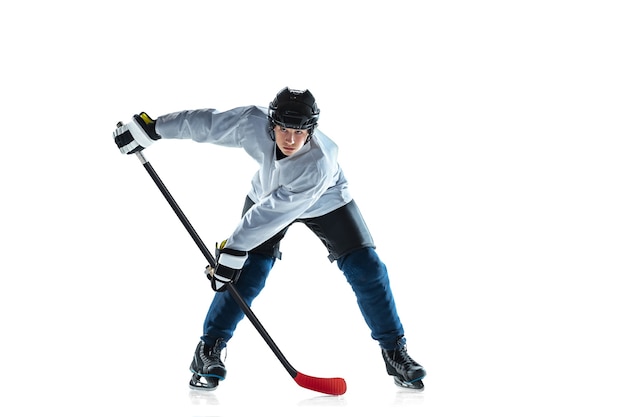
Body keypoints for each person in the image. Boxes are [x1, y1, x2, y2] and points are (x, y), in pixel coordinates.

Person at [113, 87, 426, 391]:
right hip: (266, 193)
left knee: (366, 268)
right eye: (284, 130)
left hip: (327, 200)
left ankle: (394, 351)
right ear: (271, 124)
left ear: (312, 131)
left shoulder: (319, 163)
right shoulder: (252, 122)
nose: (290, 139)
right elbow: (205, 124)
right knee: (250, 273)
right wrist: (152, 128)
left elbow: (272, 215)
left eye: (300, 132)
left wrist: (233, 249)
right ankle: (208, 350)